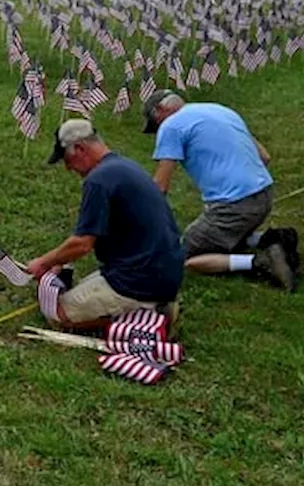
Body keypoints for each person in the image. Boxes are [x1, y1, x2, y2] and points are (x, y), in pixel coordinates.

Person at [26, 119, 185, 330]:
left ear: (80, 149)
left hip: (137, 279)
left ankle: (150, 312)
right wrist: (59, 261)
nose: (67, 168)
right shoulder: (124, 166)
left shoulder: (98, 180)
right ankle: (155, 302)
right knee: (76, 291)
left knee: (57, 313)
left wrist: (43, 263)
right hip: (160, 273)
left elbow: (82, 243)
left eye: (67, 160)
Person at [143, 90, 297, 291]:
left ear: (160, 111)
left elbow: (160, 186)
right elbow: (265, 157)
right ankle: (273, 240)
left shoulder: (171, 126)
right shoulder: (221, 110)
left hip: (234, 207)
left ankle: (259, 261)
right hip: (265, 196)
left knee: (182, 256)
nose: (158, 132)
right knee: (221, 236)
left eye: (155, 126)